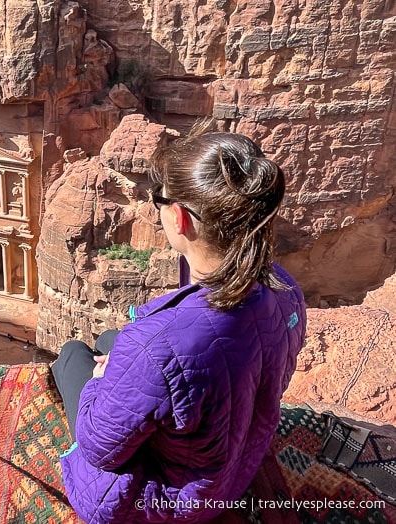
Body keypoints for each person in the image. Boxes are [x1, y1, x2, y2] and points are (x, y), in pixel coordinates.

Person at [51, 130, 306, 523]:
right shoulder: (286, 288)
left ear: (180, 217)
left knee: (73, 356)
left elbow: (100, 447)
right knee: (108, 339)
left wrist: (103, 379)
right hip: (237, 469)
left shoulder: (155, 343)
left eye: (160, 199)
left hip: (173, 499)